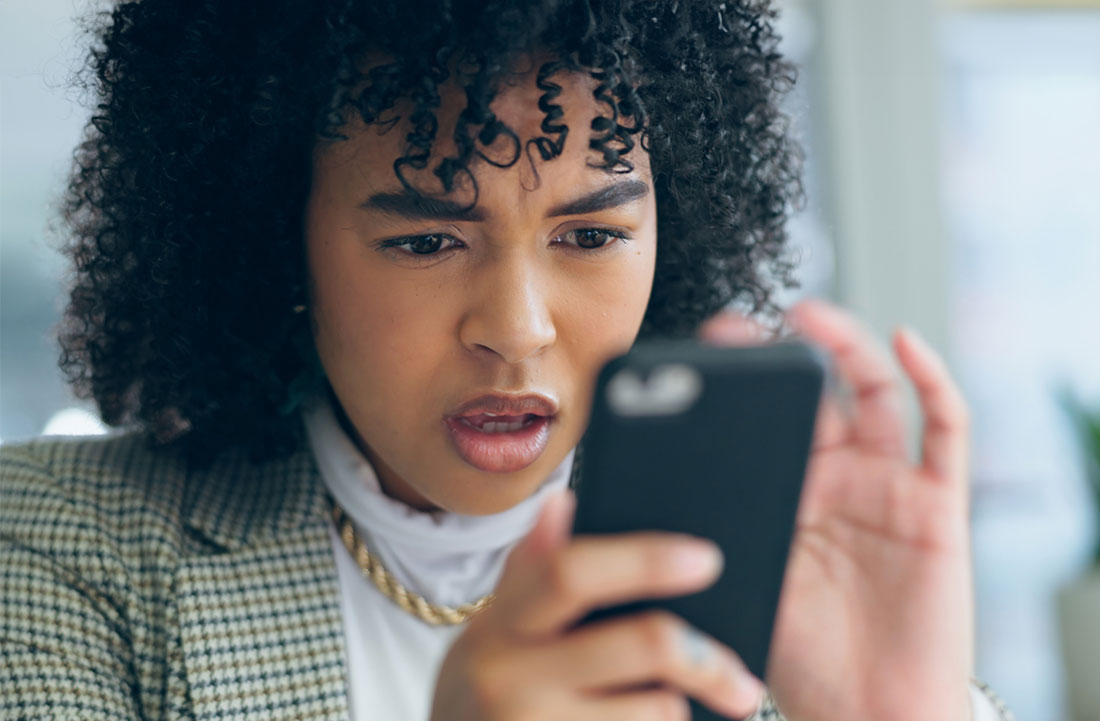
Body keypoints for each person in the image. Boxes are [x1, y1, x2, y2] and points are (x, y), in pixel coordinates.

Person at [0, 1, 1015, 720]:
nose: (517, 329)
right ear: (277, 242)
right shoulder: (55, 548)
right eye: (427, 241)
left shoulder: (780, 573)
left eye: (590, 236)